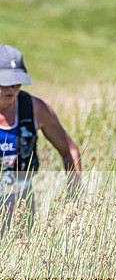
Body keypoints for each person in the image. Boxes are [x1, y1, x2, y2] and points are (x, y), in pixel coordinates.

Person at [0, 44, 81, 232]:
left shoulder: (35, 109)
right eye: (5, 82)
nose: (12, 88)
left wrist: (72, 199)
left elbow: (70, 151)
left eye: (17, 81)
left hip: (22, 209)